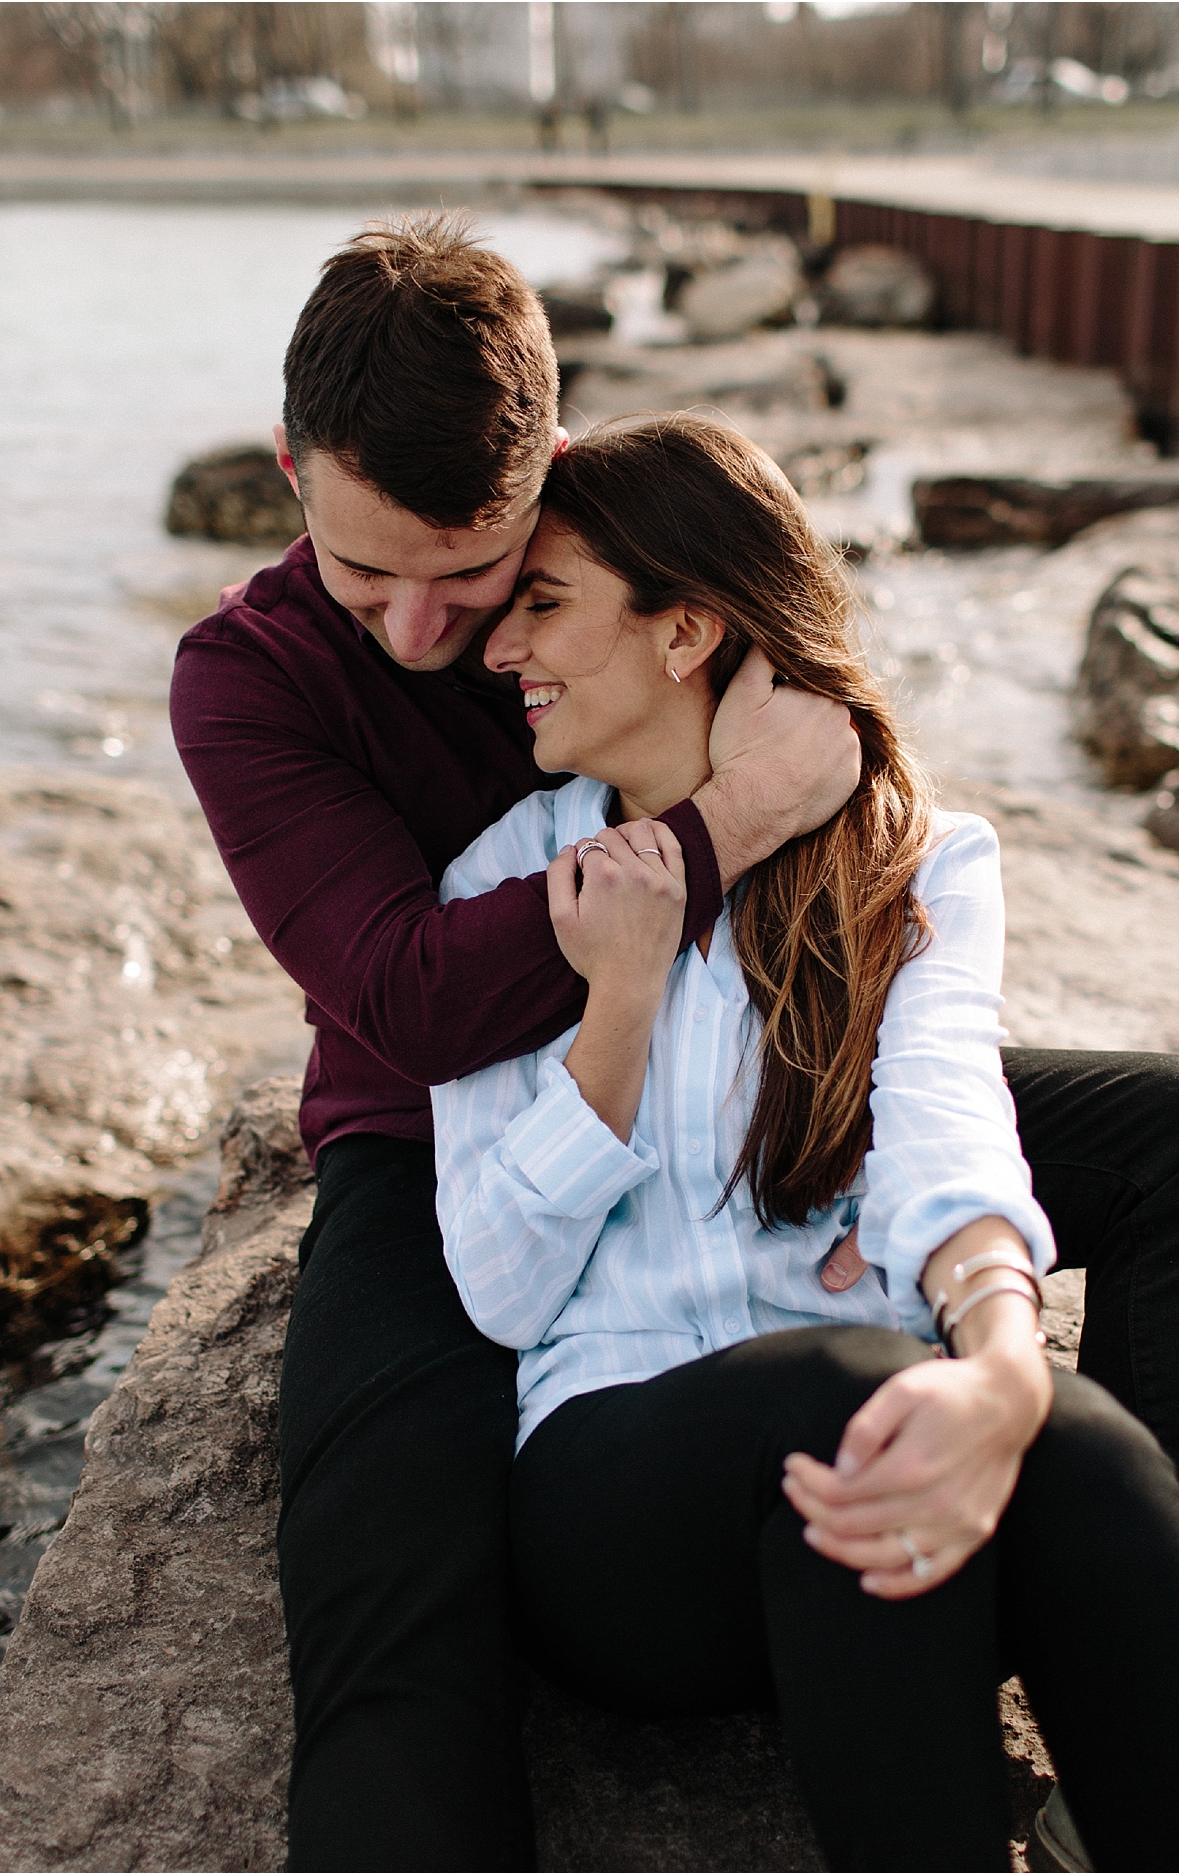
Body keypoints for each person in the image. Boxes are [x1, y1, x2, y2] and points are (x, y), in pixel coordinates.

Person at [168, 211, 1175, 1869]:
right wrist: (729, 822)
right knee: (388, 1582)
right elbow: (415, 1002)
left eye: (486, 578)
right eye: (368, 573)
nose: (439, 636)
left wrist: (997, 1348)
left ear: (553, 480)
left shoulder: (629, 568)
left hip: (769, 1050)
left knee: (1148, 1177)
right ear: (289, 471)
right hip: (428, 1122)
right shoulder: (250, 678)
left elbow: (920, 1056)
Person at [434, 413, 1175, 1870]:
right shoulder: (504, 882)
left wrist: (1012, 1374)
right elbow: (500, 1286)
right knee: (866, 1393)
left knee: (1083, 1448)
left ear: (684, 629)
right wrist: (622, 999)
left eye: (544, 602)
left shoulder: (917, 858)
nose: (497, 649)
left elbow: (947, 1107)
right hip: (623, 1511)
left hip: (868, 1445)